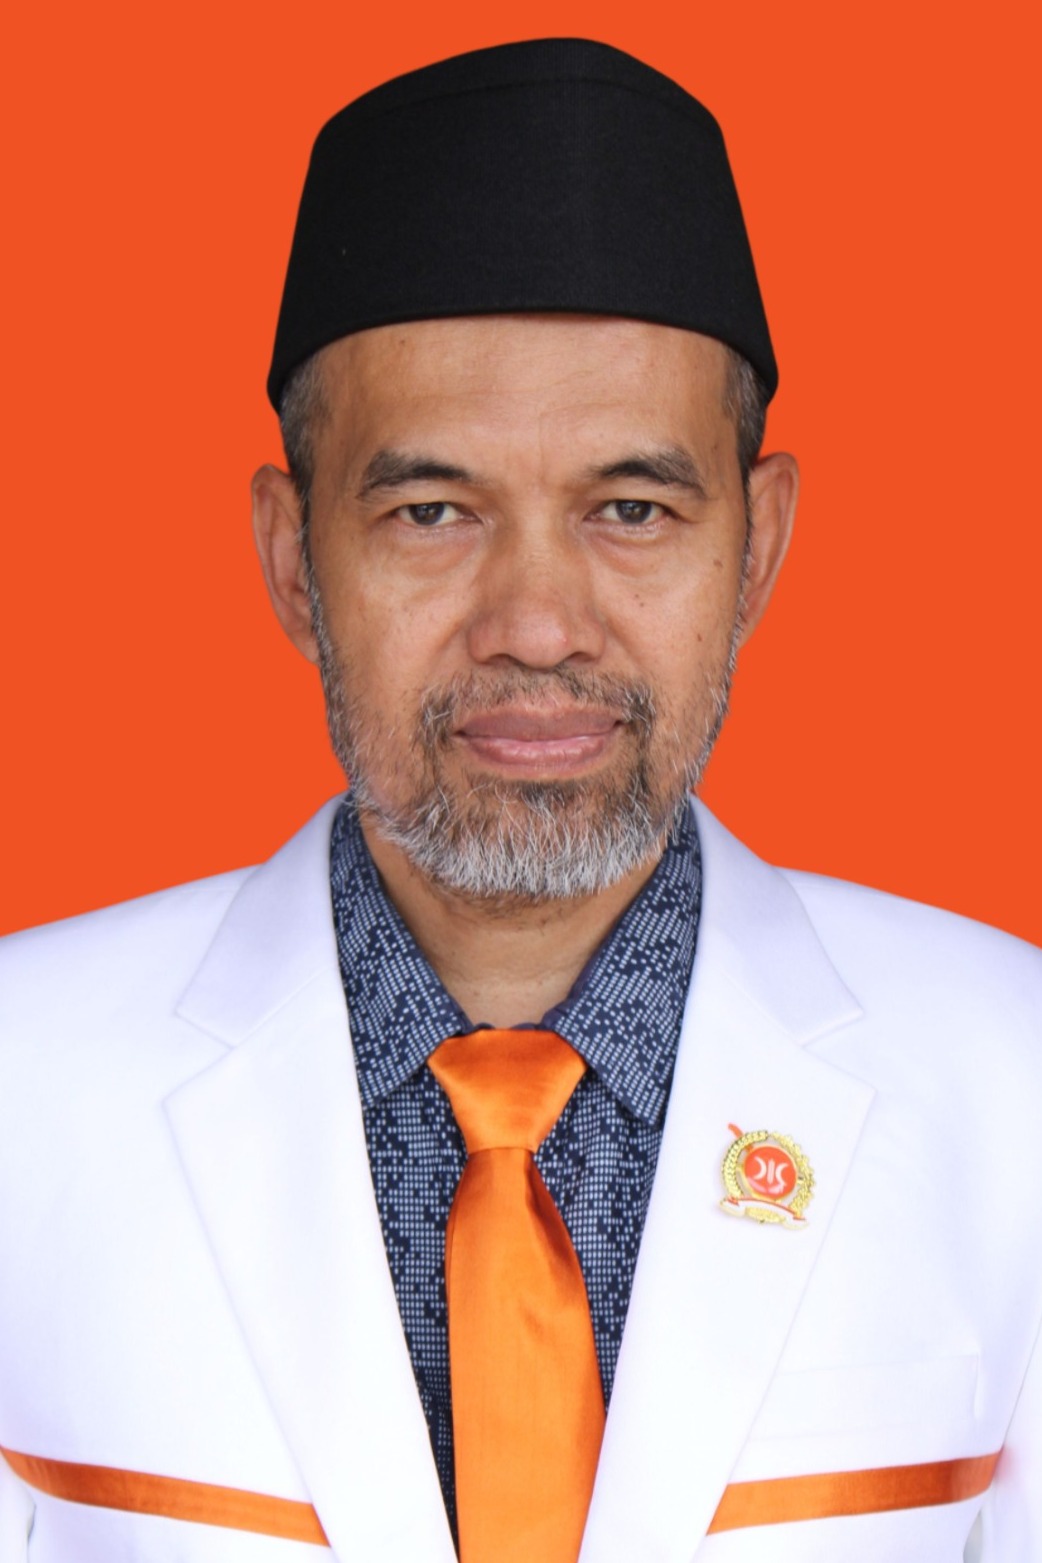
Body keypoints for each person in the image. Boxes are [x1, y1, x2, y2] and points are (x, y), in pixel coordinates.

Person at [0, 36, 1039, 1563]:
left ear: (755, 548)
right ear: (293, 558)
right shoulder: (21, 1089)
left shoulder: (1012, 1084)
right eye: (432, 512)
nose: (537, 627)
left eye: (631, 509)